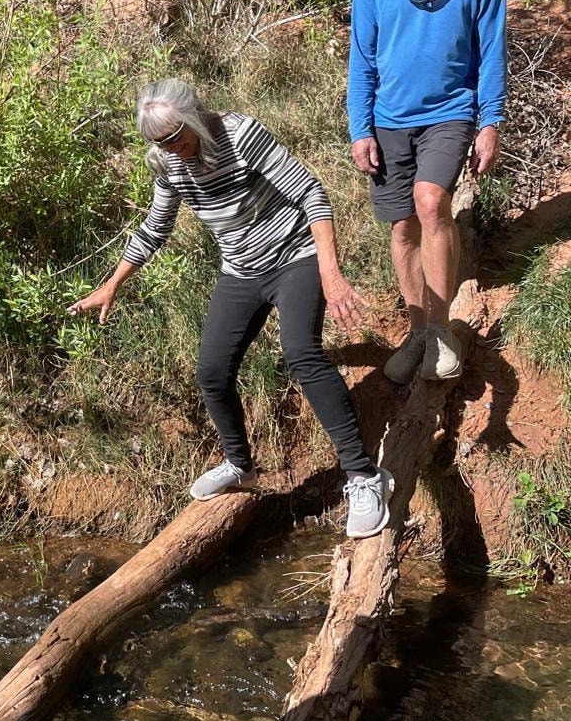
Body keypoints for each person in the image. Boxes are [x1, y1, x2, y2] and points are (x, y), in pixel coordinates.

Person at [69, 79, 393, 540]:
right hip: (240, 269)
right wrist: (111, 285)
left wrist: (331, 273)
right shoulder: (168, 161)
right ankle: (240, 466)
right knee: (212, 371)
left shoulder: (240, 135)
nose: (170, 149)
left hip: (294, 257)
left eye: (174, 137)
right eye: (158, 143)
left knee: (301, 353)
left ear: (194, 118)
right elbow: (155, 227)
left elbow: (311, 194)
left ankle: (364, 476)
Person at [348, 0, 507, 384]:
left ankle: (441, 331)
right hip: (389, 119)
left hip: (450, 111)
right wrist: (360, 129)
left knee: (432, 202)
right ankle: (417, 331)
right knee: (402, 226)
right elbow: (362, 61)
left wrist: (490, 122)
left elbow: (492, 54)